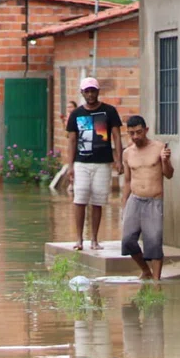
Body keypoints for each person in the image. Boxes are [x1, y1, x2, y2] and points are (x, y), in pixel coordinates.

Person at [65, 77, 123, 251]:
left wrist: (119, 160)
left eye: (93, 91)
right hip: (81, 163)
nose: (90, 94)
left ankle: (95, 239)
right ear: (82, 93)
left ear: (98, 92)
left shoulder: (109, 111)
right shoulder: (76, 114)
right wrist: (70, 165)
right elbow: (72, 140)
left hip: (103, 163)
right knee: (80, 199)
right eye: (87, 91)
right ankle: (79, 239)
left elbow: (117, 136)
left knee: (98, 200)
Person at [121, 115, 174, 280]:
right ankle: (146, 271)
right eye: (132, 133)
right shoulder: (127, 153)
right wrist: (124, 205)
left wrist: (165, 160)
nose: (135, 137)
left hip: (153, 200)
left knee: (154, 241)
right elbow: (128, 181)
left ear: (146, 130)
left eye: (138, 132)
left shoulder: (159, 147)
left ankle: (157, 282)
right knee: (128, 240)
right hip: (135, 199)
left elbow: (169, 174)